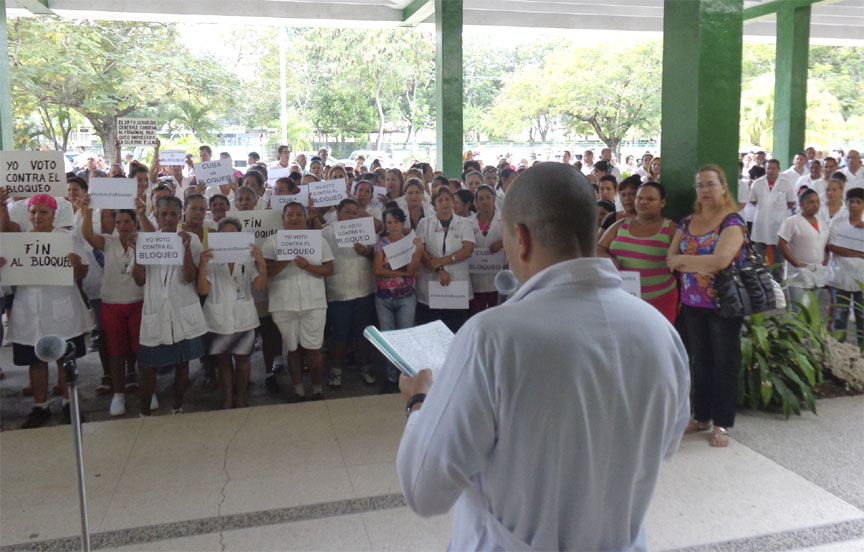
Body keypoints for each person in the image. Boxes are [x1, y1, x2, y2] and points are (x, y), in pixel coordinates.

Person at [396, 162, 689, 551]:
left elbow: (424, 489)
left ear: (520, 237)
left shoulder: (492, 337)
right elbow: (665, 443)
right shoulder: (659, 331)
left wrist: (420, 402)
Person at [667, 165, 747, 447]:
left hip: (723, 305)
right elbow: (670, 258)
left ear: (724, 187)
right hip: (691, 303)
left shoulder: (732, 223)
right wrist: (699, 262)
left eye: (711, 184)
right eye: (700, 185)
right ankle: (701, 416)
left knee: (725, 363)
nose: (705, 190)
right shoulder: (687, 221)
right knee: (700, 362)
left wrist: (685, 263)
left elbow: (721, 261)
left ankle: (722, 423)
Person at [0, 193, 92, 428]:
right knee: (36, 361)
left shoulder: (67, 238)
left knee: (64, 359)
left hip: (61, 306)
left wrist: (77, 265)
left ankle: (68, 403)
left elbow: (83, 273)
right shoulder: (19, 243)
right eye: (33, 212)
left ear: (53, 214)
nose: (37, 216)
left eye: (43, 212)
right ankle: (40, 407)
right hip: (28, 308)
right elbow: (10, 278)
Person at [131, 196, 206, 416]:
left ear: (180, 214)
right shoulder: (146, 240)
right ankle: (144, 413)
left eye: (173, 214)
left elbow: (190, 277)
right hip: (155, 309)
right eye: (163, 214)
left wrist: (185, 249)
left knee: (182, 363)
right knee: (147, 367)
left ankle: (177, 407)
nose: (168, 219)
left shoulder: (190, 238)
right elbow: (139, 279)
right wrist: (136, 252)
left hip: (181, 307)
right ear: (157, 215)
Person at [263, 203, 334, 401]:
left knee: (314, 348)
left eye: (298, 215)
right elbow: (266, 272)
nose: (294, 218)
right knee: (292, 347)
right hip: (284, 303)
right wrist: (285, 260)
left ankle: (318, 389)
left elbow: (329, 270)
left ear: (305, 218)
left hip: (314, 302)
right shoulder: (272, 241)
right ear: (283, 219)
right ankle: (298, 390)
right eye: (290, 215)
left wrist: (308, 267)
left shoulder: (318, 240)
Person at [79, 201, 144, 417]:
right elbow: (88, 235)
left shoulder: (145, 241)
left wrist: (143, 214)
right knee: (116, 352)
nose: (123, 226)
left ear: (135, 223)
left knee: (141, 350)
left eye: (127, 221)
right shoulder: (108, 241)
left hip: (139, 303)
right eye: (119, 222)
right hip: (112, 304)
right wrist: (87, 212)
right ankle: (118, 394)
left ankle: (146, 390)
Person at [197, 217, 267, 409]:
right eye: (225, 234)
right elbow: (203, 290)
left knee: (243, 360)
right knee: (223, 360)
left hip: (243, 317)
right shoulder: (211, 260)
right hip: (218, 318)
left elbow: (259, 286)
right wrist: (202, 266)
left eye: (233, 234)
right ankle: (227, 397)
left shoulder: (248, 258)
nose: (229, 237)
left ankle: (241, 396)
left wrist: (262, 264)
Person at [599, 182, 678, 323]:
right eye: (639, 198)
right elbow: (598, 248)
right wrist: (608, 258)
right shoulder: (620, 224)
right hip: (623, 298)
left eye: (650, 199)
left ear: (662, 202)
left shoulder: (671, 229)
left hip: (660, 298)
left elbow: (681, 266)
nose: (643, 202)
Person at [322, 199, 377, 388]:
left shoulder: (366, 231)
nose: (351, 216)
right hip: (338, 292)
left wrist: (367, 251)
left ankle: (365, 367)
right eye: (347, 212)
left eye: (355, 213)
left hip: (363, 290)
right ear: (337, 213)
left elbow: (376, 256)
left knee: (363, 334)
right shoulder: (327, 233)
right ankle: (336, 370)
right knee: (339, 334)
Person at [373, 207, 424, 392]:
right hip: (384, 297)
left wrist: (418, 250)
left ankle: (407, 377)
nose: (393, 226)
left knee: (405, 337)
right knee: (388, 339)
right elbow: (377, 270)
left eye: (396, 221)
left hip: (406, 297)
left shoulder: (411, 242)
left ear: (402, 222)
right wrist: (402, 272)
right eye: (389, 222)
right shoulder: (381, 244)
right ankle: (391, 377)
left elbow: (413, 269)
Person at [416, 187, 475, 332]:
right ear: (434, 204)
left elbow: (467, 250)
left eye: (448, 199)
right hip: (430, 286)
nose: (444, 203)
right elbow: (421, 250)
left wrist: (441, 261)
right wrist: (439, 269)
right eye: (440, 200)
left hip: (456, 288)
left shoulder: (464, 223)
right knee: (431, 331)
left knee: (455, 330)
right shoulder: (424, 223)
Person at [777, 188, 830, 309]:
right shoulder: (792, 221)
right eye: (811, 202)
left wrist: (824, 262)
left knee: (812, 310)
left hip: (817, 271)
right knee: (799, 311)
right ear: (801, 204)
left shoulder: (823, 223)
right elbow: (781, 244)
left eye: (817, 202)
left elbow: (826, 246)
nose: (815, 205)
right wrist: (796, 264)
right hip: (798, 273)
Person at [826, 188, 864, 347]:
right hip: (840, 276)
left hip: (861, 278)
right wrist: (860, 253)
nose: (854, 205)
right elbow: (833, 246)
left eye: (858, 202)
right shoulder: (837, 222)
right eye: (851, 202)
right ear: (846, 203)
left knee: (861, 317)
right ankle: (838, 352)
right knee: (840, 316)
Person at [749, 159, 797, 282]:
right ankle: (760, 277)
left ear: (778, 169)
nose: (770, 171)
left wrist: (776, 210)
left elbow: (791, 201)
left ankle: (778, 279)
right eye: (768, 168)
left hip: (778, 221)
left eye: (773, 168)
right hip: (761, 220)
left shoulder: (786, 182)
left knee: (778, 252)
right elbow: (753, 200)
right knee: (760, 250)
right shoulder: (758, 183)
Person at [468, 185, 504, 315]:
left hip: (499, 276)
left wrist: (501, 243)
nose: (485, 201)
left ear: (494, 199)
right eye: (481, 199)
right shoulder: (468, 222)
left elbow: (515, 239)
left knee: (497, 314)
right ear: (476, 203)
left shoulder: (504, 219)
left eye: (488, 197)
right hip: (475, 278)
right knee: (477, 314)